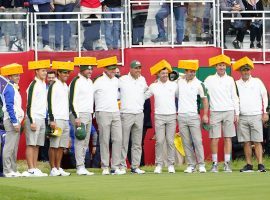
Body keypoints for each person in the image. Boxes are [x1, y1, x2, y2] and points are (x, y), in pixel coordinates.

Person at [233, 56, 269, 172]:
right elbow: (234, 99)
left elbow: (265, 96)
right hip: (242, 116)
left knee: (257, 141)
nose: (246, 72)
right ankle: (249, 165)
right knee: (246, 142)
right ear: (240, 71)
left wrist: (265, 112)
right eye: (243, 70)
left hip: (256, 115)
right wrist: (236, 114)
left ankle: (260, 164)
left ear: (250, 70)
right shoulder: (236, 84)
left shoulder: (257, 81)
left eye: (247, 70)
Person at [205, 54, 239, 172]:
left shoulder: (230, 79)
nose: (222, 67)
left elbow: (234, 97)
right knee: (214, 138)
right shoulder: (209, 79)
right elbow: (200, 89)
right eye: (220, 65)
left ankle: (227, 164)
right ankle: (214, 164)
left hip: (229, 111)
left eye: (223, 65)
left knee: (228, 138)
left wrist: (237, 113)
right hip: (215, 111)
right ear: (216, 67)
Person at [145, 59, 177, 174]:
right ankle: (158, 164)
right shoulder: (153, 86)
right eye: (162, 73)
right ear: (158, 74)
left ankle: (170, 165)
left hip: (172, 116)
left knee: (170, 141)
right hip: (159, 116)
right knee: (159, 141)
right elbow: (144, 96)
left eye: (166, 73)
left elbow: (181, 94)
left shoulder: (174, 85)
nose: (164, 75)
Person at [94, 56, 124, 175]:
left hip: (115, 112)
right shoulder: (98, 81)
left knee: (118, 139)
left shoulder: (117, 81)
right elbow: (90, 96)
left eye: (114, 69)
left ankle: (115, 166)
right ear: (105, 69)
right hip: (103, 112)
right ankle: (105, 166)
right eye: (111, 69)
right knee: (104, 140)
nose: (113, 71)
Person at [177, 60, 209, 173]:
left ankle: (201, 165)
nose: (192, 73)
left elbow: (205, 100)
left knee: (197, 141)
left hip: (194, 116)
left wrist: (205, 115)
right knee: (186, 142)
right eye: (189, 71)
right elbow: (172, 75)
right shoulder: (179, 81)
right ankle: (191, 165)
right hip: (181, 116)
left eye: (193, 72)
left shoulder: (200, 83)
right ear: (185, 71)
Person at [119, 60, 148, 174]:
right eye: (136, 68)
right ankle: (122, 165)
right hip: (126, 113)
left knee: (137, 142)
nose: (138, 70)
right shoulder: (123, 80)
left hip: (139, 113)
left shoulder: (142, 79)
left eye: (139, 68)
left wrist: (141, 100)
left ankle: (135, 166)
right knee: (124, 141)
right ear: (130, 69)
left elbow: (146, 92)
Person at [22, 60, 50, 177]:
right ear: (37, 71)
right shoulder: (33, 85)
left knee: (37, 144)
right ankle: (30, 168)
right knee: (31, 144)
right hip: (34, 118)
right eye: (43, 71)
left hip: (42, 117)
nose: (45, 73)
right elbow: (29, 104)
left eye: (46, 71)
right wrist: (32, 120)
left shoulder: (43, 84)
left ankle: (35, 167)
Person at [69, 57, 97, 175]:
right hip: (79, 113)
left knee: (85, 141)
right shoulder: (76, 81)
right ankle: (79, 166)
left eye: (91, 70)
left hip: (88, 113)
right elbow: (72, 100)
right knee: (80, 140)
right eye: (88, 70)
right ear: (82, 70)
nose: (90, 72)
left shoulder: (90, 82)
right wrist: (76, 116)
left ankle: (82, 165)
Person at [47, 61, 74, 176]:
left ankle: (58, 167)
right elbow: (49, 102)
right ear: (58, 73)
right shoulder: (54, 85)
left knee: (61, 145)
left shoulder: (65, 86)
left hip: (65, 119)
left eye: (68, 73)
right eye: (64, 73)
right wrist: (52, 119)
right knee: (54, 144)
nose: (66, 75)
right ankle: (53, 168)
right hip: (56, 119)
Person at [1, 63, 24, 177]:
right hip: (11, 121)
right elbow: (9, 107)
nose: (18, 78)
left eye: (19, 75)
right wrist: (15, 122)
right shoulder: (9, 88)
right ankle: (7, 170)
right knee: (9, 146)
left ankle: (13, 170)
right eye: (15, 76)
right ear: (9, 77)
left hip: (15, 120)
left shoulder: (13, 87)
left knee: (14, 147)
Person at [38, 70, 56, 162]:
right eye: (49, 77)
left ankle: (54, 161)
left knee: (55, 137)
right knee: (44, 138)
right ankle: (44, 160)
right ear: (46, 78)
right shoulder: (43, 88)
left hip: (56, 117)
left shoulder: (58, 88)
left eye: (53, 77)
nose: (51, 79)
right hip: (45, 116)